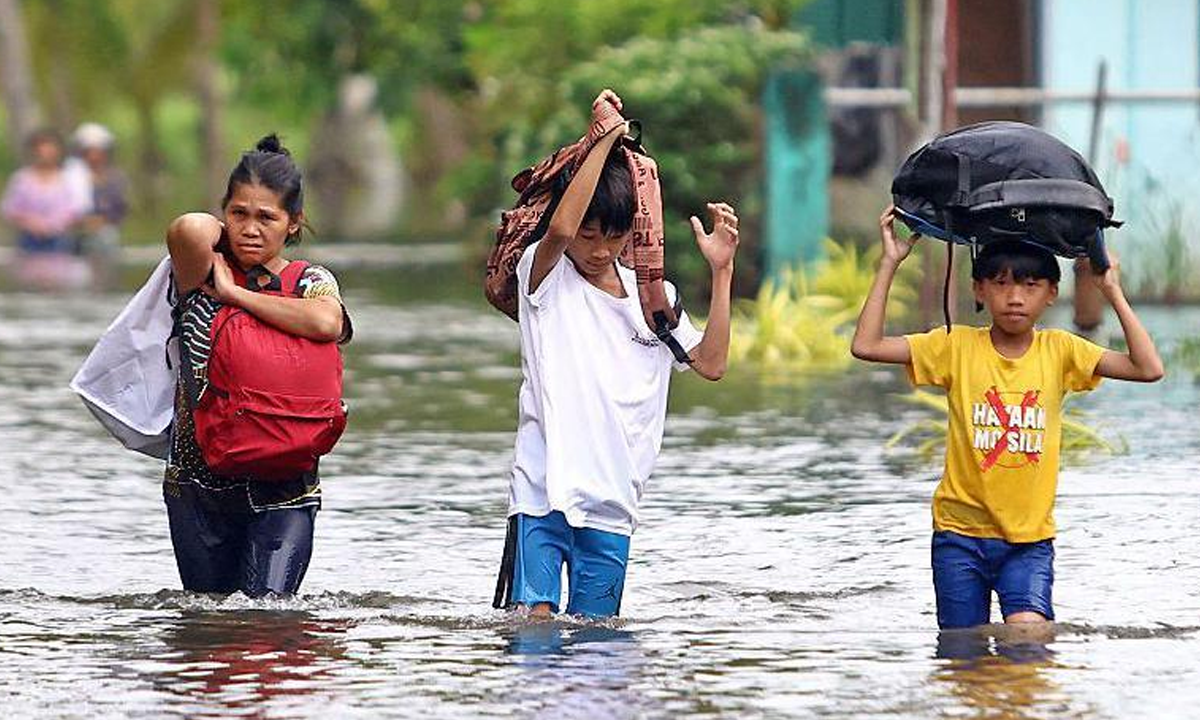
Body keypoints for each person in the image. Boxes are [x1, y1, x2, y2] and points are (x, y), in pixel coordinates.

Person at [851, 204, 1164, 630]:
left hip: (1029, 541)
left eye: (1030, 285)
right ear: (978, 290)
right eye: (1000, 284)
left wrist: (1111, 290)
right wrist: (890, 263)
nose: (1015, 297)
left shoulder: (1061, 350)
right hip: (959, 537)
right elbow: (866, 345)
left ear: (1051, 292)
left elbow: (1148, 369)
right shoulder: (955, 346)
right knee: (963, 654)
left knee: (1029, 641)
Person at [494, 89, 739, 619]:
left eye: (613, 234)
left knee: (597, 642)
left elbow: (713, 363)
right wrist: (603, 143)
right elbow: (560, 229)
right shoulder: (546, 277)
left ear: (632, 231)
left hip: (613, 504)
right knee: (532, 627)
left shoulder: (656, 300)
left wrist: (722, 273)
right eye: (589, 234)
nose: (599, 248)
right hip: (541, 493)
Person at [164, 134, 351, 597]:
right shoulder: (201, 271)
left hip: (285, 488)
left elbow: (329, 323)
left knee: (267, 617)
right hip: (198, 484)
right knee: (209, 623)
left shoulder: (310, 281)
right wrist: (221, 254)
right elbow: (188, 227)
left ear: (294, 224)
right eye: (238, 214)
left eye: (267, 218)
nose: (250, 229)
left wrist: (235, 296)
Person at [1, 128, 91, 288]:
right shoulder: (22, 179)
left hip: (59, 241)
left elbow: (76, 210)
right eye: (41, 150)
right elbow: (10, 210)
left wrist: (54, 225)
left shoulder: (68, 179)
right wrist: (31, 223)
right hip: (29, 240)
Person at [71, 122, 129, 283]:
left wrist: (101, 221)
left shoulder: (115, 178)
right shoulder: (72, 176)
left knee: (107, 238)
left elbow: (120, 209)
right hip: (74, 232)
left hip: (104, 232)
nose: (94, 156)